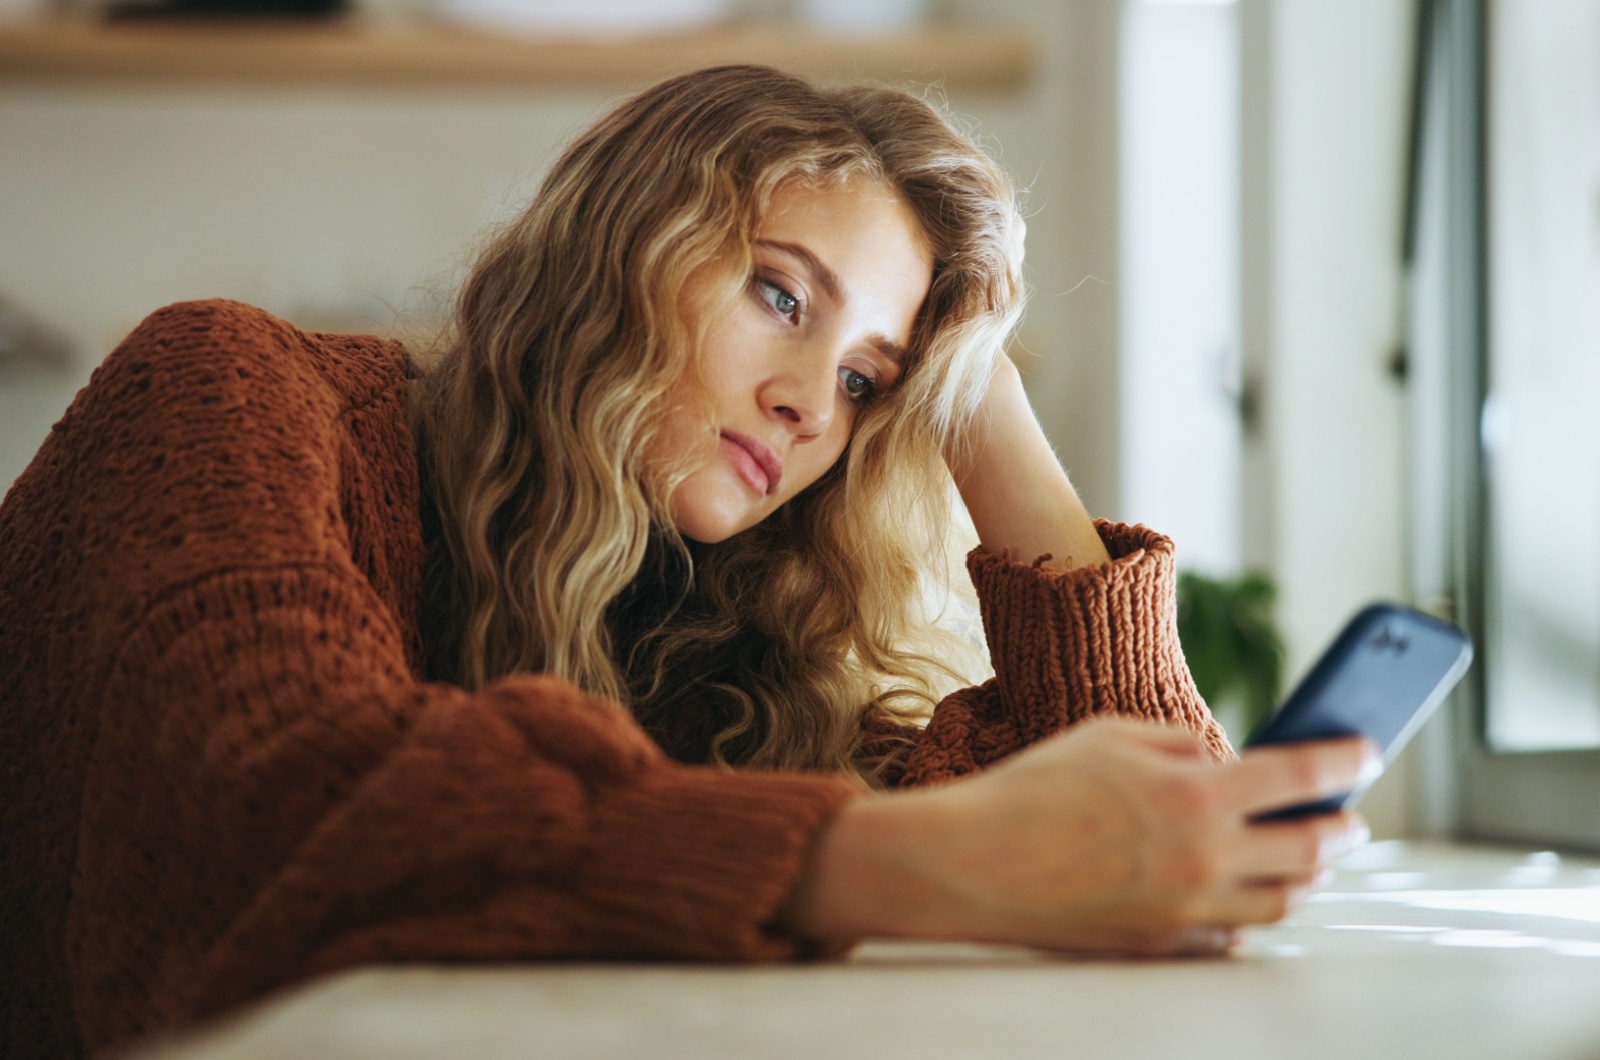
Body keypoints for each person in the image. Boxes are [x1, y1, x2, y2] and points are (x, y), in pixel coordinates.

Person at [0, 64, 1373, 1059]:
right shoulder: (232, 389)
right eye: (780, 294)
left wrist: (975, 392)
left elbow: (1137, 840)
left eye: (865, 378)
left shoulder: (717, 618)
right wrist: (887, 863)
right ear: (620, 243)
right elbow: (276, 800)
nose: (809, 406)